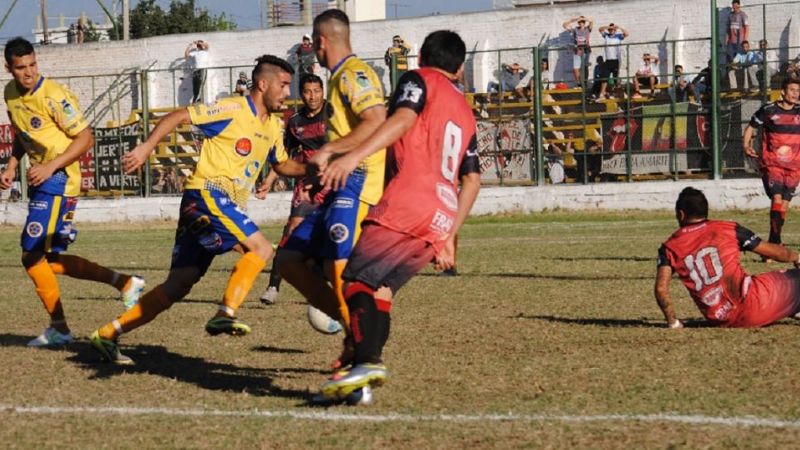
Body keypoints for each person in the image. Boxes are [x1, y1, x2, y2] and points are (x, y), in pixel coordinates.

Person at [90, 55, 308, 365]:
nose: (288, 92)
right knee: (260, 248)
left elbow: (283, 164)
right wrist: (146, 147)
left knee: (178, 285)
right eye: (284, 85)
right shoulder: (233, 108)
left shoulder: (274, 125)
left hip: (217, 205)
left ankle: (108, 333)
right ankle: (225, 312)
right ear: (263, 84)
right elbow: (179, 116)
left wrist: (313, 169)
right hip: (207, 194)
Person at [315, 29, 481, 401]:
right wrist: (450, 234)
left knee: (355, 282)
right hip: (441, 212)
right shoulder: (466, 110)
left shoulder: (418, 79)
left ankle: (368, 360)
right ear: (459, 67)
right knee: (381, 292)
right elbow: (472, 180)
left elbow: (404, 119)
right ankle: (357, 379)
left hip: (408, 201)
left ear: (421, 56)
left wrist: (354, 156)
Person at [0, 37, 145, 347]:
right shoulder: (10, 93)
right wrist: (12, 165)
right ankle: (125, 282)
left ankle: (60, 327)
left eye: (33, 65)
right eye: (21, 68)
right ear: (8, 68)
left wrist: (50, 166)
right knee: (47, 260)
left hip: (60, 180)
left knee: (31, 255)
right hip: (45, 180)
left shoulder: (54, 96)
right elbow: (23, 135)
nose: (29, 73)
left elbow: (86, 139)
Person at [277, 9, 387, 369]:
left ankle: (360, 345)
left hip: (359, 185)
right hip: (339, 182)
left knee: (340, 265)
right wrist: (318, 174)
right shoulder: (340, 78)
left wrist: (331, 150)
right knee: (289, 260)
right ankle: (351, 329)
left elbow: (377, 121)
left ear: (321, 41)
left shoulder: (354, 74)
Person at [655, 187, 800, 328]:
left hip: (721, 320)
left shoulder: (669, 247)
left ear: (680, 214)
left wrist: (672, 321)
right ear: (706, 211)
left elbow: (661, 289)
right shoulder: (728, 228)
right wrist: (796, 257)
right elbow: (777, 253)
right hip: (754, 306)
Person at [259, 73, 331, 305]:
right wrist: (269, 181)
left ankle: (322, 283)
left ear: (323, 91)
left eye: (317, 91)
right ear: (301, 94)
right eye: (308, 91)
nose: (313, 96)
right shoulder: (295, 121)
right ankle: (273, 286)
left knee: (332, 233)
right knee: (292, 230)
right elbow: (284, 157)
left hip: (334, 181)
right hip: (307, 183)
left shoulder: (333, 113)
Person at [742, 78, 800, 251]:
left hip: (795, 166)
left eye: (798, 91)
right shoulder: (768, 110)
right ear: (783, 91)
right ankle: (775, 244)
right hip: (772, 164)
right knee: (777, 198)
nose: (795, 94)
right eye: (792, 90)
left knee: (784, 204)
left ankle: (773, 241)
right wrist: (746, 145)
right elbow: (751, 127)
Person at [597, 23, 628, 99]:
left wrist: (619, 27)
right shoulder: (606, 36)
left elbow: (626, 34)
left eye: (613, 29)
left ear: (615, 30)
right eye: (610, 30)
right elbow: (600, 29)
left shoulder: (618, 37)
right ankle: (602, 93)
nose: (611, 31)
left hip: (615, 60)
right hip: (608, 60)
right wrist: (609, 27)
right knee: (605, 77)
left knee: (615, 78)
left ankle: (620, 93)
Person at [562, 15, 594, 86]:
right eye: (579, 22)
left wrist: (583, 18)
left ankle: (585, 81)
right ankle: (579, 83)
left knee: (585, 66)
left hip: (586, 49)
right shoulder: (575, 30)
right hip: (577, 50)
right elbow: (564, 25)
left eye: (582, 22)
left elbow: (591, 21)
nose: (581, 23)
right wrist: (574, 19)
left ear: (584, 22)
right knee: (575, 68)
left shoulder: (587, 29)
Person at [185, 39, 210, 103]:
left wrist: (200, 42)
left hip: (203, 70)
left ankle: (199, 100)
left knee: (201, 85)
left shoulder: (205, 51)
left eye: (201, 44)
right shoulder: (195, 52)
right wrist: (190, 45)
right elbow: (186, 55)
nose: (200, 45)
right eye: (199, 44)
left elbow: (207, 45)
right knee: (195, 86)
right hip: (195, 70)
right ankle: (195, 99)